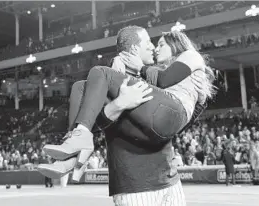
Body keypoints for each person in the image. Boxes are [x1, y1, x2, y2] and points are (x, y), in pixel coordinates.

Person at [39, 27, 216, 205]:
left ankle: (76, 151)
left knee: (89, 81)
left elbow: (173, 124)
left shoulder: (155, 77)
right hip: (134, 187)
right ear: (134, 50)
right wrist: (118, 104)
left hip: (169, 181)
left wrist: (200, 102)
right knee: (80, 87)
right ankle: (75, 151)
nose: (153, 47)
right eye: (149, 43)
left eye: (158, 44)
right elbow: (95, 121)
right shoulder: (107, 82)